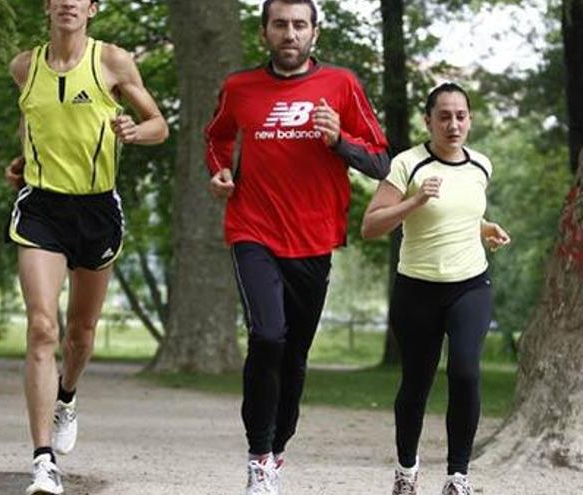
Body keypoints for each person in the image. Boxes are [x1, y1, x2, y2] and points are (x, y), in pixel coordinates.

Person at [203, 1, 390, 493]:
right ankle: (258, 455)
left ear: (314, 32)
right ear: (264, 31)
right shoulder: (239, 88)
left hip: (314, 238)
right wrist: (220, 173)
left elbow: (381, 160)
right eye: (280, 25)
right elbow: (216, 138)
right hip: (252, 230)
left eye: (299, 25)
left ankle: (279, 446)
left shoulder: (341, 85)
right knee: (267, 337)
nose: (290, 34)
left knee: (295, 354)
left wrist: (338, 142)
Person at [3, 0, 168, 493]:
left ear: (92, 8)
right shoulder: (24, 66)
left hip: (97, 210)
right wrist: (23, 157)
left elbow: (159, 123)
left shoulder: (113, 61)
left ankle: (67, 396)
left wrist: (137, 132)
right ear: (49, 6)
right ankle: (42, 460)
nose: (69, 3)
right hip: (41, 208)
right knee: (40, 326)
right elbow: (33, 118)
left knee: (80, 333)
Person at [361, 82, 510, 495]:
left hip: (470, 285)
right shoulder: (408, 164)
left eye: (460, 115)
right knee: (416, 383)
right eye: (443, 116)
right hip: (417, 289)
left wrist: (484, 228)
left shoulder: (481, 165)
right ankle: (406, 472)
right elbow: (370, 225)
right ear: (428, 121)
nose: (453, 124)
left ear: (470, 120)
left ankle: (457, 478)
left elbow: (459, 215)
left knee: (465, 372)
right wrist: (413, 203)